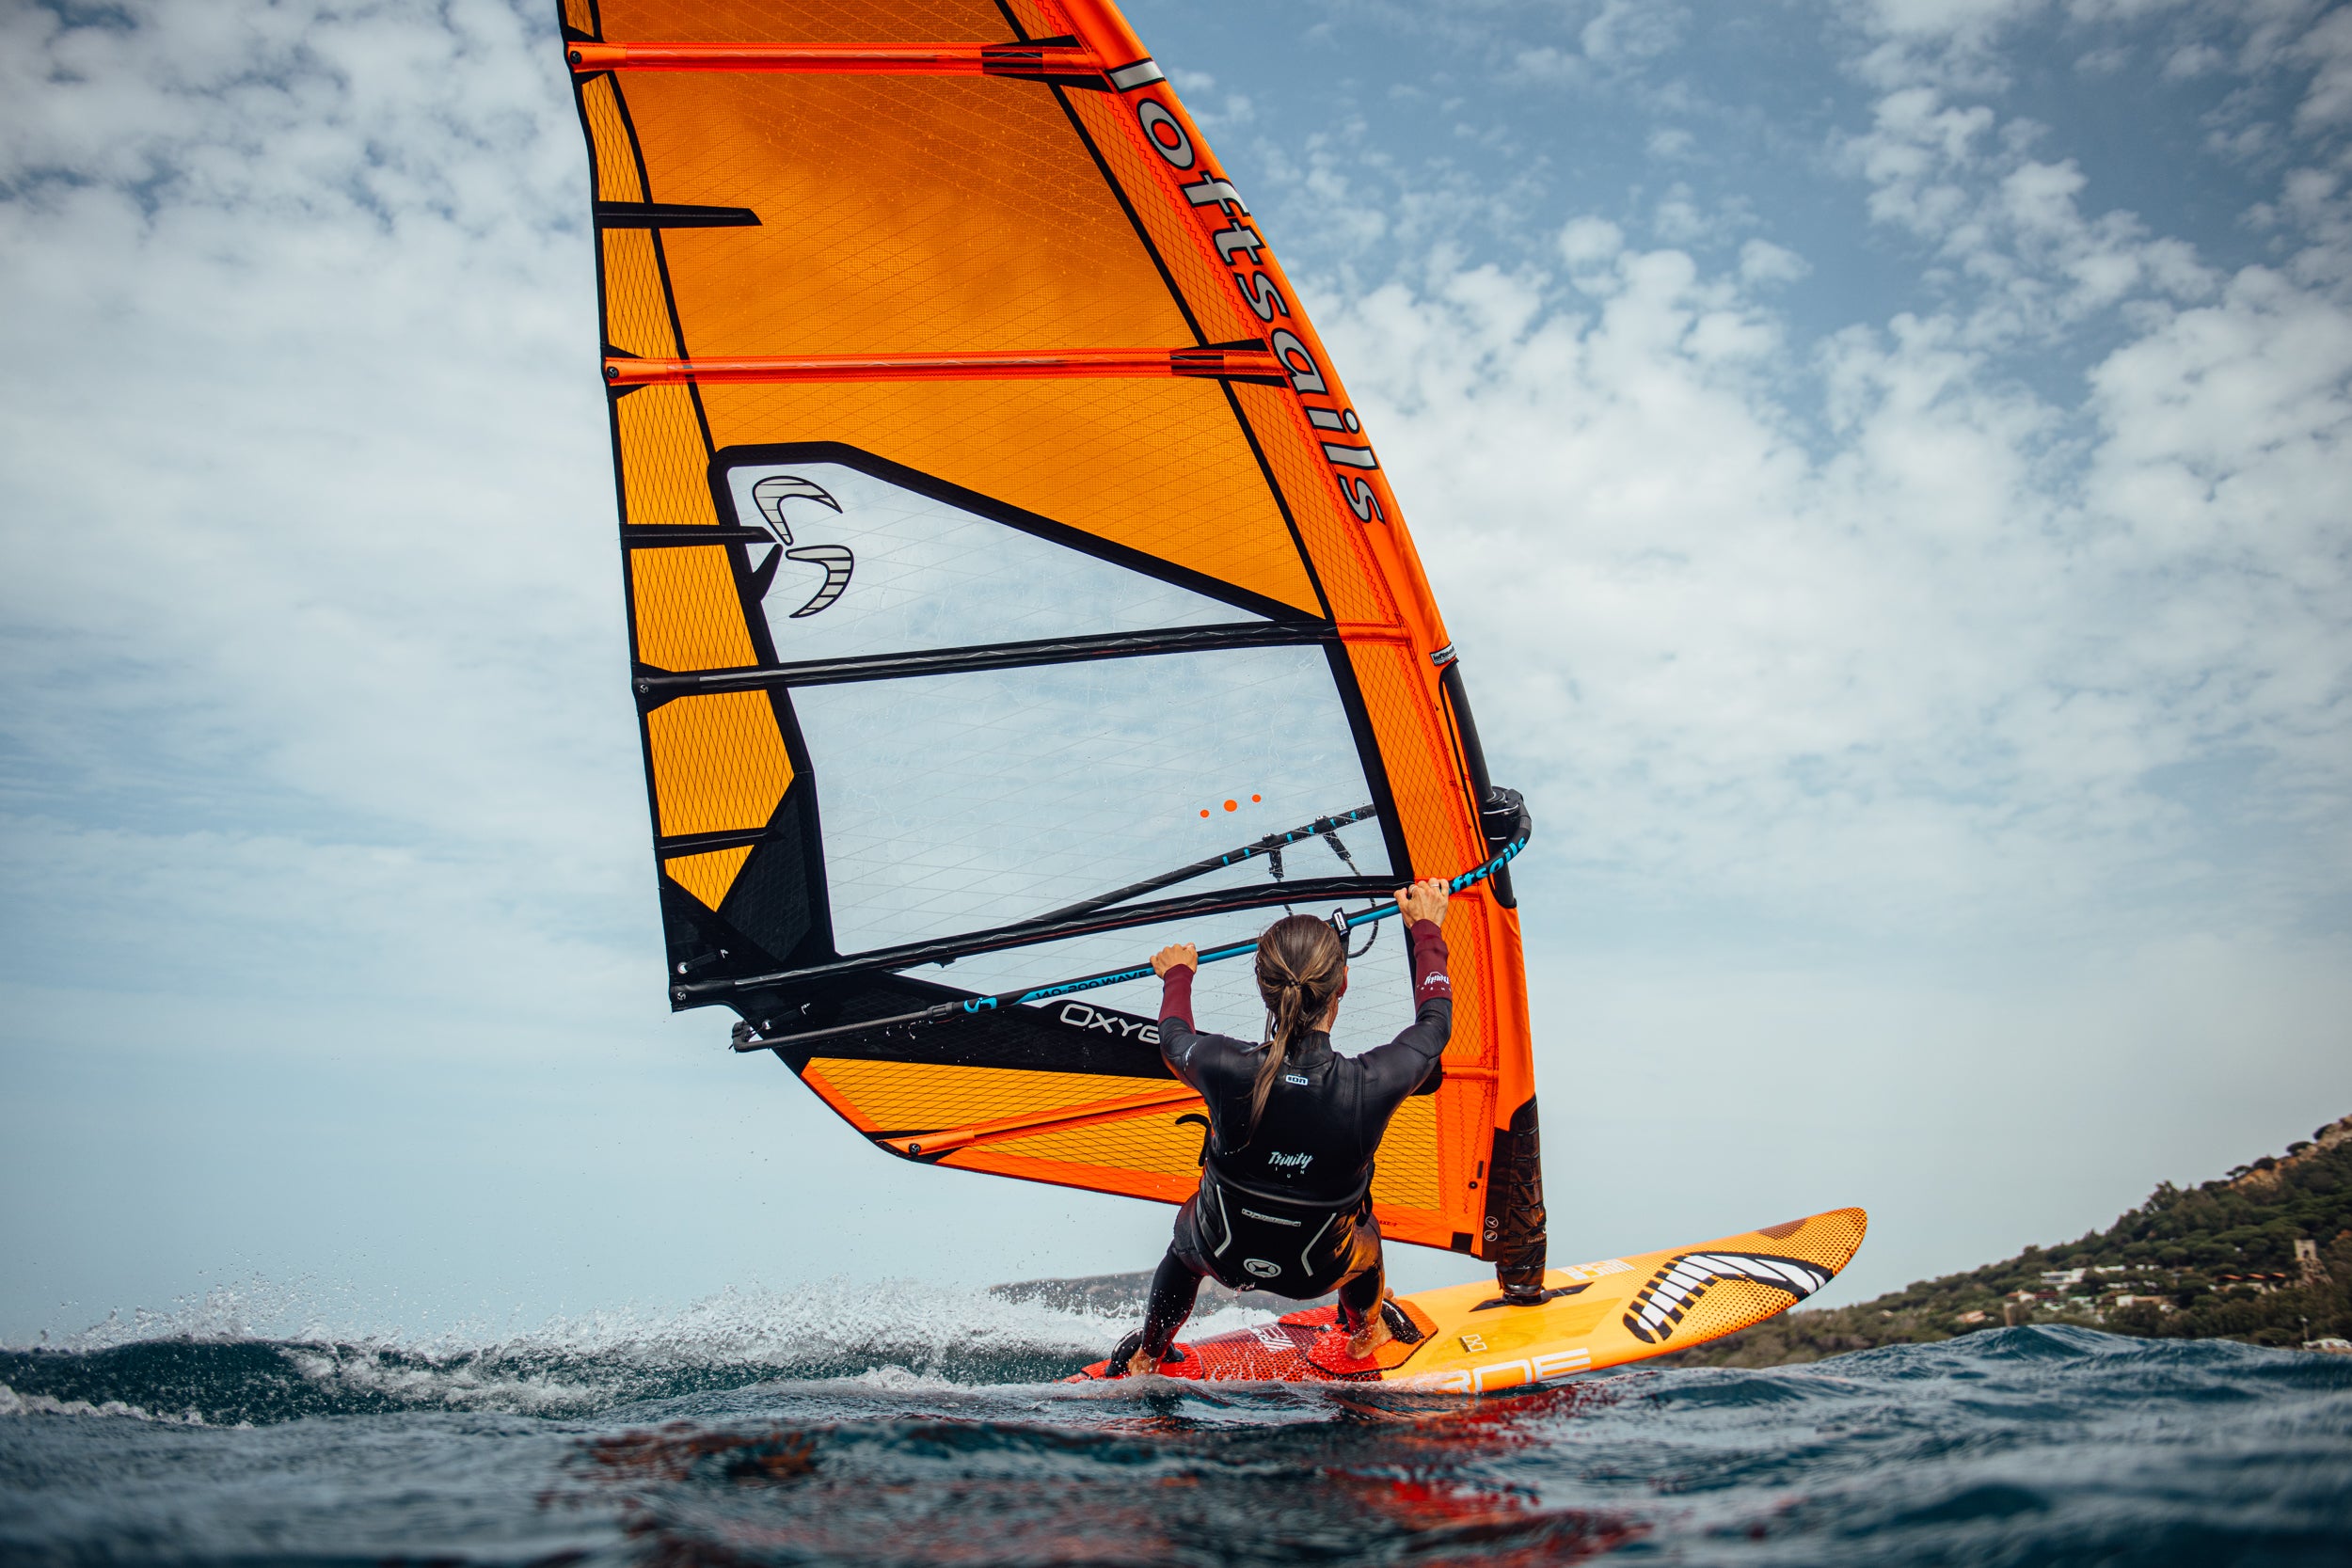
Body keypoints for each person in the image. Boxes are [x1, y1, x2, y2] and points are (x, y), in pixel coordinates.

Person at [1106, 877, 1454, 1377]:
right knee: (1367, 1240)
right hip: (1318, 1272)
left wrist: (1178, 975)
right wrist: (1425, 928)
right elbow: (1434, 1025)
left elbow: (1172, 1037)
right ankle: (1366, 1334)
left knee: (1183, 1245)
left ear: (1263, 987)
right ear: (1343, 985)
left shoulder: (1223, 1066)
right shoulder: (1371, 1083)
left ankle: (1149, 1354)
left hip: (1219, 1255)